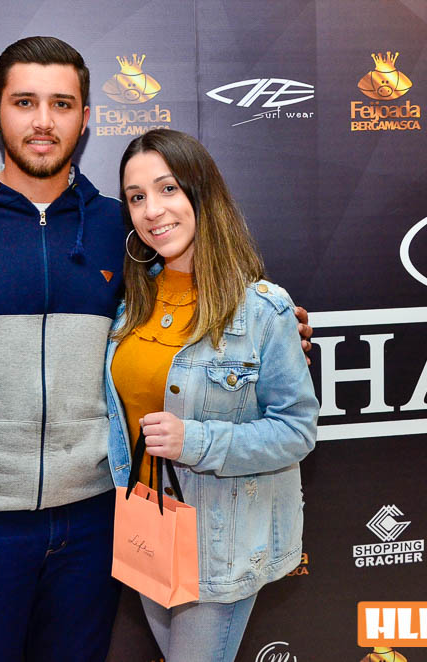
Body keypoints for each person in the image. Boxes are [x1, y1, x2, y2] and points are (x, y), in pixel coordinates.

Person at [0, 37, 313, 661]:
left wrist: (277, 326)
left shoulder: (121, 225)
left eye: (61, 104)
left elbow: (192, 306)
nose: (43, 121)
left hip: (98, 513)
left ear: (85, 118)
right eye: (25, 102)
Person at [104, 129, 319, 662]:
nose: (152, 210)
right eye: (136, 197)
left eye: (168, 189)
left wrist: (195, 440)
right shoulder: (129, 305)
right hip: (147, 528)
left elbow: (296, 430)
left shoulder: (262, 310)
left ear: (202, 193)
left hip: (220, 543)